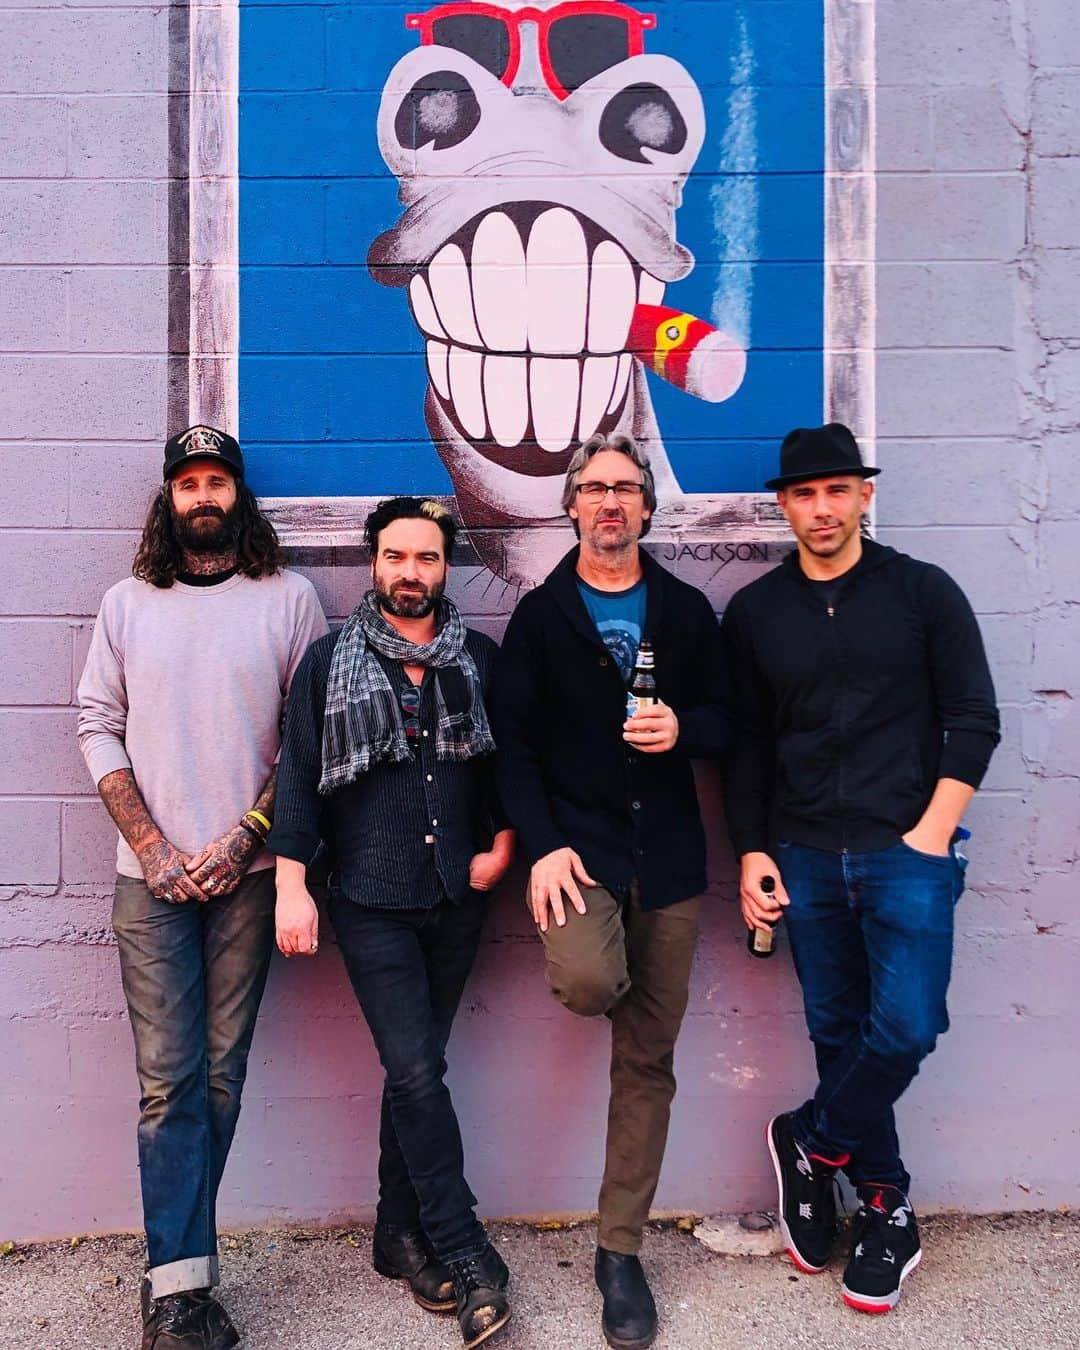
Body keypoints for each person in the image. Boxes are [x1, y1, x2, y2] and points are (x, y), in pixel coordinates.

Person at [722, 423, 1000, 1313]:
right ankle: (885, 1206)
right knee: (837, 1032)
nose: (822, 508)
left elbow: (974, 718)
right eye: (805, 494)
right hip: (803, 851)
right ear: (785, 505)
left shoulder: (923, 593)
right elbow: (748, 747)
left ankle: (809, 1138)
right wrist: (754, 849)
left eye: (837, 490)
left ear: (864, 496)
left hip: (905, 850)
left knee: (909, 1025)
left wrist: (931, 833)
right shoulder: (758, 612)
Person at [76, 425, 328, 1349]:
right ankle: (179, 1293)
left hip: (250, 879)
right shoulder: (126, 603)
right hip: (149, 884)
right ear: (169, 500)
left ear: (239, 495)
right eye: (188, 484)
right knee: (166, 1085)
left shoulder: (290, 599)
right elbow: (97, 724)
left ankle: (177, 1284)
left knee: (219, 1079)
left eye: (217, 480)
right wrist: (150, 844)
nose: (203, 496)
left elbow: (307, 740)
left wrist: (246, 837)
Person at [492, 433, 729, 1350]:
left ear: (646, 506)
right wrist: (541, 849)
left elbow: (730, 720)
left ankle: (619, 1251)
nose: (609, 505)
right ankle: (609, 967)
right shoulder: (542, 618)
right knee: (592, 984)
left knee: (647, 1063)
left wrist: (687, 728)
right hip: (581, 858)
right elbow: (513, 748)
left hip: (668, 862)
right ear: (572, 507)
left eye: (625, 490)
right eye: (593, 489)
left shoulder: (685, 610)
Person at [270, 497, 515, 1350]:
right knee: (415, 1073)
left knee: (419, 1069)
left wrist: (501, 848)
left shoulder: (477, 658)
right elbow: (299, 780)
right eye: (396, 557)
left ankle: (395, 1236)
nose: (411, 572)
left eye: (428, 559)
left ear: (448, 567)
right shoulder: (327, 660)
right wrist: (290, 889)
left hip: (456, 893)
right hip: (369, 898)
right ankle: (464, 1246)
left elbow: (506, 770)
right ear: (373, 564)